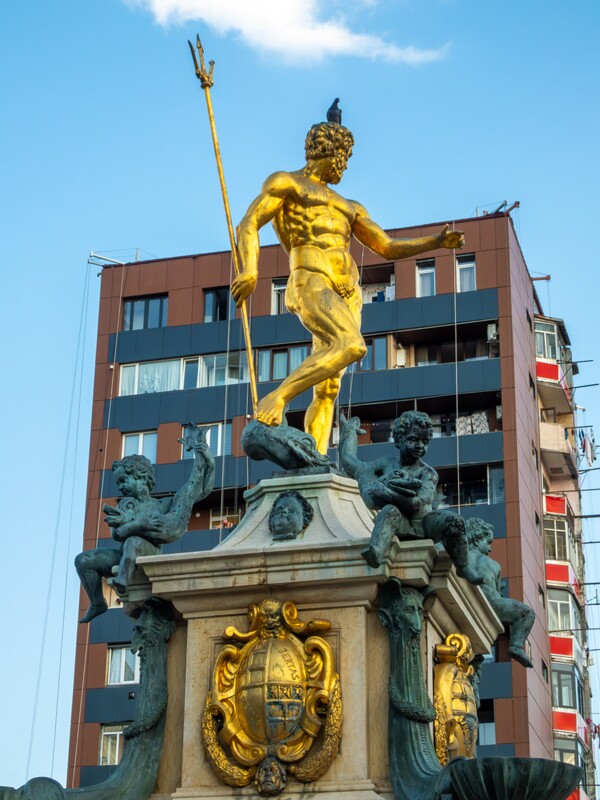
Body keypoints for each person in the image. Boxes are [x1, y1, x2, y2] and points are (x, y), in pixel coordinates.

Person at [232, 115, 464, 453]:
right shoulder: (288, 184)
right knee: (352, 345)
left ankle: (317, 456)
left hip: (348, 292)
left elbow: (386, 246)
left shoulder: (349, 206)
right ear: (330, 151)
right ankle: (277, 397)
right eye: (344, 157)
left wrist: (436, 242)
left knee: (328, 387)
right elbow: (249, 223)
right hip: (311, 279)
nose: (345, 165)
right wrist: (250, 270)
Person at [75, 426, 215, 622]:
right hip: (121, 554)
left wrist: (207, 460)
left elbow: (197, 489)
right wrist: (123, 524)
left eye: (124, 480)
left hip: (146, 552)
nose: (121, 487)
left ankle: (123, 578)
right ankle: (98, 602)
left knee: (134, 541)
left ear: (142, 477)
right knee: (83, 560)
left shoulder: (162, 505)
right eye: (119, 484)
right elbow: (117, 534)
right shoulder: (126, 504)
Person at [339, 411, 480, 585]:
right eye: (414, 439)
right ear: (398, 440)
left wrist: (387, 493)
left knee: (454, 521)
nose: (420, 445)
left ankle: (463, 565)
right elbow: (350, 461)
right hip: (401, 523)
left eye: (425, 441)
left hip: (424, 524)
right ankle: (376, 550)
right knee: (389, 511)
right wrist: (349, 431)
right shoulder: (385, 464)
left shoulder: (428, 473)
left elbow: (417, 503)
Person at [465, 518, 535, 668]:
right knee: (527, 613)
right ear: (477, 539)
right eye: (488, 542)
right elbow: (496, 592)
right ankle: (516, 646)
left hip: (467, 597)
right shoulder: (493, 564)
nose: (490, 548)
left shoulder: (461, 554)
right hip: (490, 602)